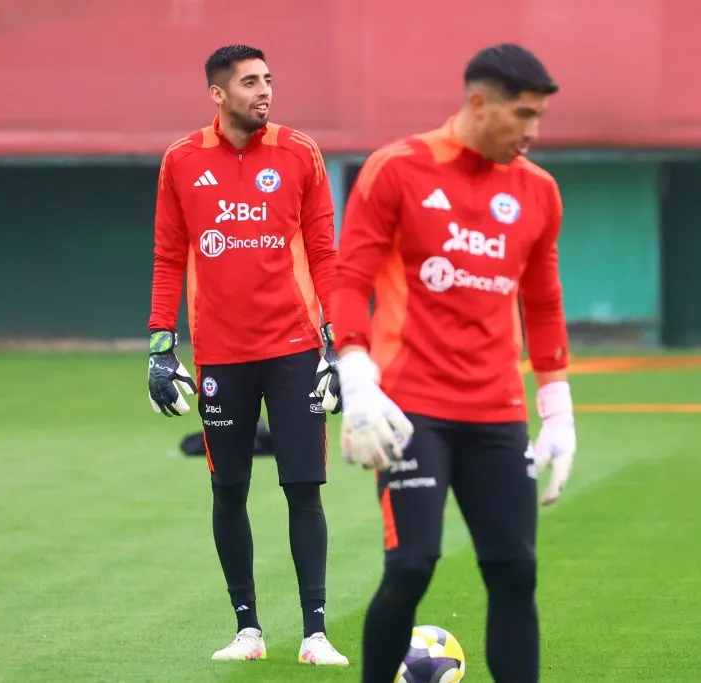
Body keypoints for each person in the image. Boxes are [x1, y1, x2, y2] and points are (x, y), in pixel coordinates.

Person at [329, 43, 578, 683]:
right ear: (477, 103)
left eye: (540, 118)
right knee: (410, 566)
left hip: (497, 411)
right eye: (522, 115)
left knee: (515, 571)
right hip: (410, 407)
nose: (532, 132)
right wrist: (356, 379)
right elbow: (349, 279)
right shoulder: (396, 170)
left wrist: (557, 410)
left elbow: (544, 302)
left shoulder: (539, 192)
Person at [146, 43, 349, 666]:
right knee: (228, 489)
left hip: (293, 350)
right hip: (220, 356)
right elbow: (168, 256)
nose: (265, 91)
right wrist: (160, 346)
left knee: (303, 488)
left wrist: (338, 342)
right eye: (250, 82)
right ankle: (248, 631)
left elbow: (324, 252)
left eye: (268, 80)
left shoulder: (299, 152)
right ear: (218, 94)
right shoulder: (181, 161)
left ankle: (315, 633)